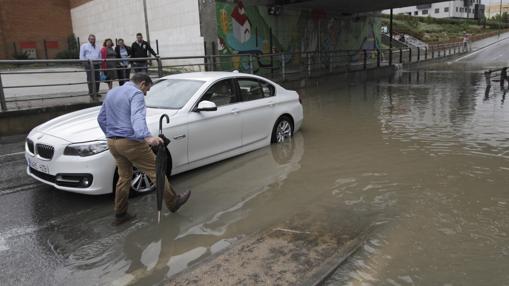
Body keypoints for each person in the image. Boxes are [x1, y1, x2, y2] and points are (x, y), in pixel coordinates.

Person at [97, 73, 191, 225]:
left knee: (124, 177)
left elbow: (101, 118)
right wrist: (147, 137)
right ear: (142, 84)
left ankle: (120, 214)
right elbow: (137, 116)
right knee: (156, 171)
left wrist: (111, 134)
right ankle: (173, 202)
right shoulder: (136, 94)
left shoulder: (112, 92)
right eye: (147, 89)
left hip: (112, 142)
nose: (146, 93)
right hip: (131, 142)